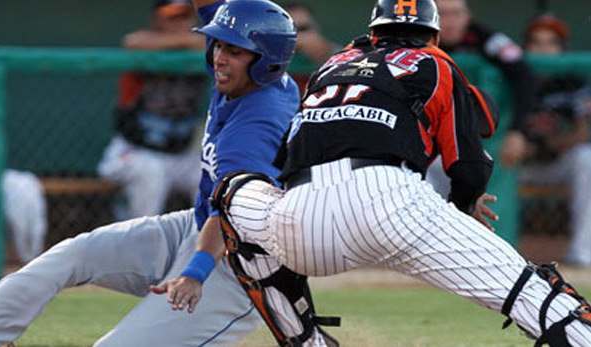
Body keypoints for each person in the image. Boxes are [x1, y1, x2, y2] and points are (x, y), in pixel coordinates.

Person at [159, 0, 591, 346]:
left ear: (372, 32)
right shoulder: (435, 61)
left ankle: (304, 339)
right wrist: (462, 210)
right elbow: (469, 164)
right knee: (528, 291)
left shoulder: (331, 65)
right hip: (393, 203)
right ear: (435, 35)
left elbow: (284, 158)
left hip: (302, 221)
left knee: (232, 192)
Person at [0, 0, 299, 346]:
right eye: (219, 43)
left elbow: (233, 216)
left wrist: (193, 274)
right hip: (195, 227)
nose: (219, 56)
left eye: (234, 50)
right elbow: (211, 7)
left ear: (266, 63)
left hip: (240, 266)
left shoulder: (258, 123)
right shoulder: (246, 76)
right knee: (68, 257)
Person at [97, 0, 206, 219]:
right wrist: (187, 40)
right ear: (156, 20)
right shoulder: (145, 42)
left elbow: (227, 47)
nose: (178, 23)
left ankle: (204, 248)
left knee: (209, 174)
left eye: (183, 16)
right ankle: (139, 244)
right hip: (133, 151)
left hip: (180, 155)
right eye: (171, 16)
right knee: (150, 171)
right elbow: (132, 42)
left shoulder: (205, 47)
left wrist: (197, 42)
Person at [519, 14, 591, 266]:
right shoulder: (513, 79)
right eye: (537, 43)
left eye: (551, 43)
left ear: (562, 49)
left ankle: (583, 253)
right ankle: (495, 251)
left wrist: (544, 144)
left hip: (557, 163)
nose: (544, 49)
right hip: (517, 165)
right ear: (526, 48)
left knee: (587, 158)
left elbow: (582, 134)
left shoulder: (573, 82)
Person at [434, 0, 537, 168]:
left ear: (468, 16)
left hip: (471, 135)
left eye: (456, 13)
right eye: (442, 14)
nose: (450, 20)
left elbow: (524, 75)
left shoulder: (482, 36)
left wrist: (517, 130)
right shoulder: (416, 37)